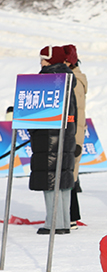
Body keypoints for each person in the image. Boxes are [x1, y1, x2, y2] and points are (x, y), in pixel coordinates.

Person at [30, 46, 77, 235]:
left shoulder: (47, 78)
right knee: (63, 180)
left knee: (50, 180)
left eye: (43, 59)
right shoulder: (68, 79)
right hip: (66, 136)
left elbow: (37, 111)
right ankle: (64, 222)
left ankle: (53, 223)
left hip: (47, 137)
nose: (41, 62)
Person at [63, 44, 87, 229]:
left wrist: (75, 138)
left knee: (69, 173)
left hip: (74, 132)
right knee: (71, 173)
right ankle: (73, 214)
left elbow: (75, 111)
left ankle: (71, 216)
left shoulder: (75, 80)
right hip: (75, 131)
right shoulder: (74, 77)